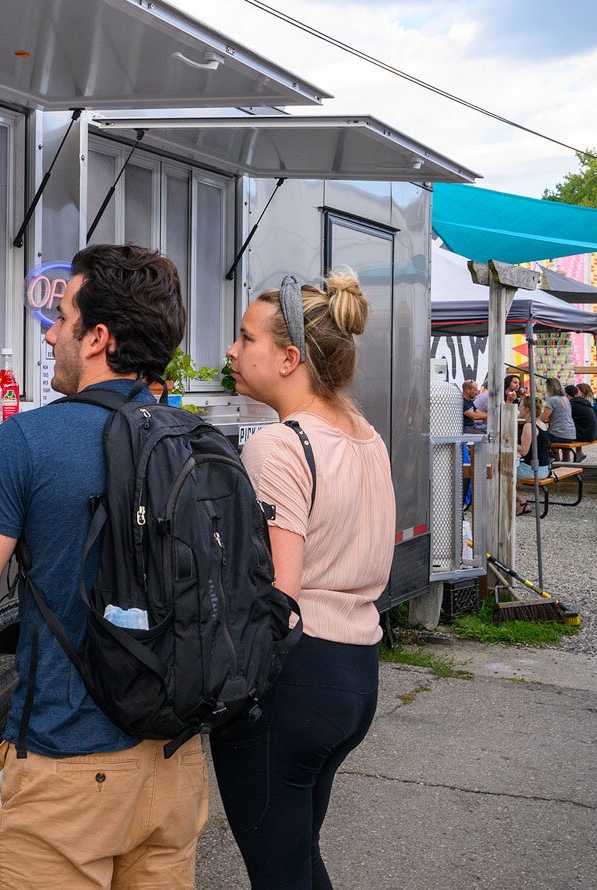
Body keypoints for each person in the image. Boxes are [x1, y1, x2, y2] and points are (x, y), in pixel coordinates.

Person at [0, 244, 208, 888]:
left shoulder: (26, 440)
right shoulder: (194, 439)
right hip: (176, 766)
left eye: (62, 317)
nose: (51, 333)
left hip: (68, 768)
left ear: (98, 338)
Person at [215, 269, 394, 890]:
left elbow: (279, 597)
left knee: (282, 872)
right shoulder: (367, 439)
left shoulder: (278, 446)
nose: (232, 352)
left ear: (289, 358)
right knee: (297, 861)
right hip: (356, 674)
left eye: (246, 339)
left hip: (291, 680)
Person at [566, 383, 597, 460]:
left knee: (563, 434)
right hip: (593, 432)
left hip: (590, 434)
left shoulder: (574, 404)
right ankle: (578, 454)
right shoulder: (583, 402)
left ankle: (563, 459)